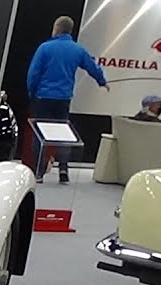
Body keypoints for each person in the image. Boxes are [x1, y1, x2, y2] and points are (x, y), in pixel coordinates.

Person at [26, 15, 107, 184]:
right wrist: (102, 81)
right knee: (62, 134)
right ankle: (63, 170)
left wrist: (32, 92)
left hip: (43, 97)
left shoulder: (45, 48)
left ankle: (39, 172)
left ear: (56, 28)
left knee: (40, 134)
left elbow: (34, 73)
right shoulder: (77, 50)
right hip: (63, 98)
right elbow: (92, 66)